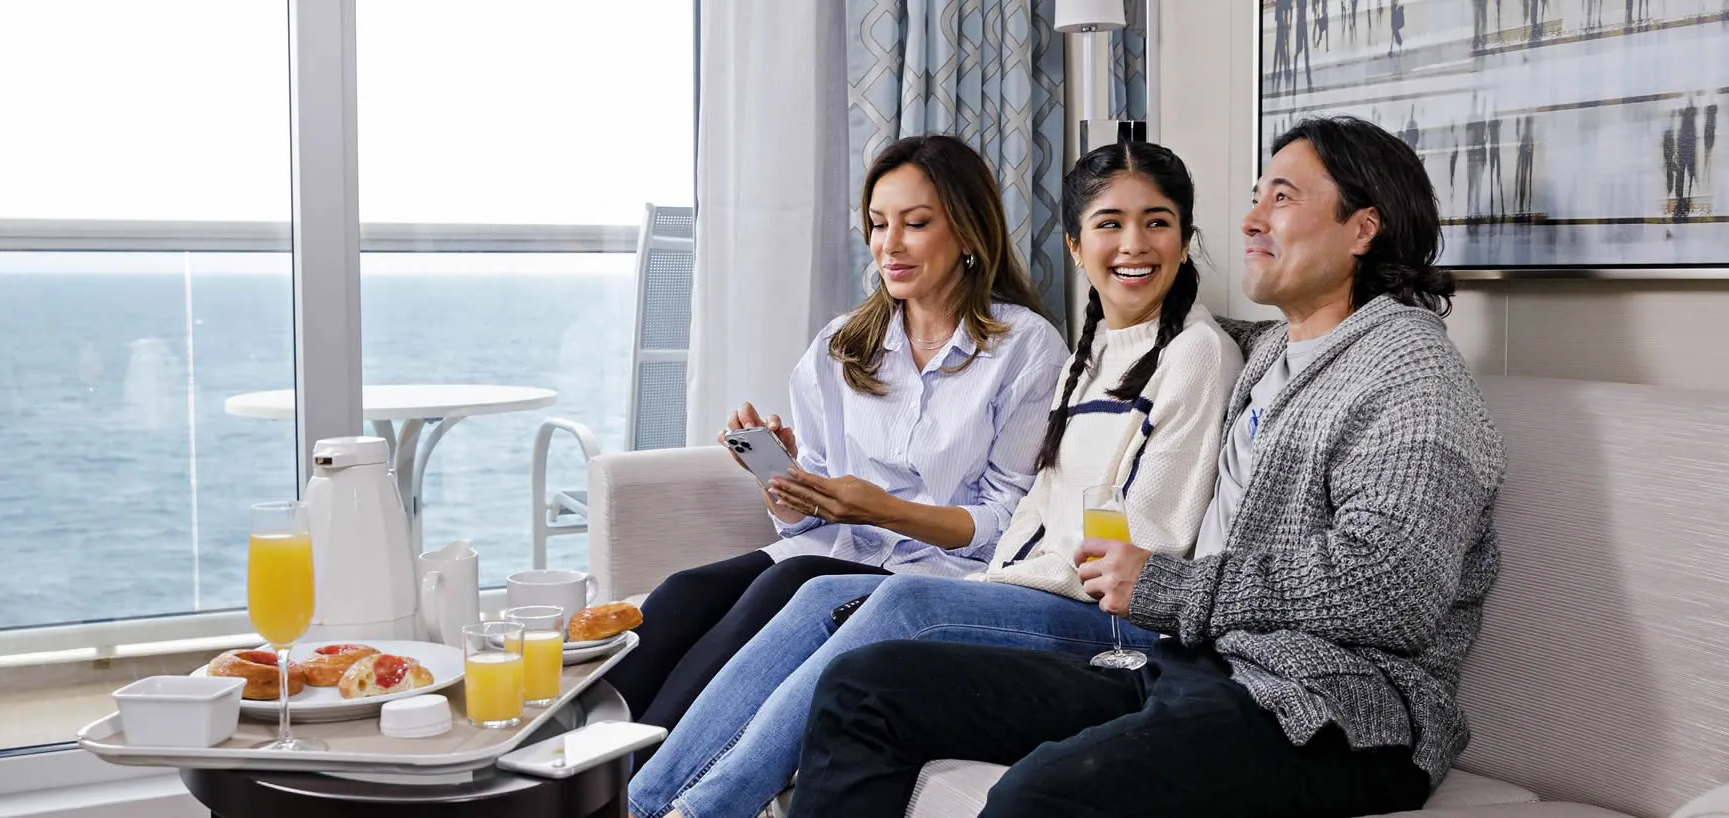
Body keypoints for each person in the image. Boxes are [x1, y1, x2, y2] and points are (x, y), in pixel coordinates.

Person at [786, 115, 1507, 818]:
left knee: (1042, 794)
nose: (1252, 219)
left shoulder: (1411, 373)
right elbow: (1144, 343)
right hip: (1201, 667)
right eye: (1256, 196)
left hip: (1336, 710)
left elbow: (1394, 590)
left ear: (1363, 228)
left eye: (1281, 198)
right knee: (867, 688)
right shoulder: (1269, 355)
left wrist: (1167, 584)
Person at [626, 141, 1244, 818]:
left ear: (1185, 240)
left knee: (901, 604)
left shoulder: (1196, 355)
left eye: (1157, 222)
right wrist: (791, 484)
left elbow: (1148, 540)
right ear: (1074, 244)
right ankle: (642, 801)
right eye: (1109, 224)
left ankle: (703, 809)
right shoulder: (1091, 354)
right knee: (813, 593)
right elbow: (1041, 506)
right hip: (1021, 585)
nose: (1134, 243)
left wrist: (992, 575)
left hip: (1110, 618)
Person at [605, 134, 1069, 742]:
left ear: (967, 231)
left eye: (916, 223)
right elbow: (806, 529)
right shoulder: (842, 345)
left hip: (934, 579)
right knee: (684, 592)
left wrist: (884, 509)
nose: (889, 245)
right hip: (832, 554)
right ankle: (568, 770)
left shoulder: (1026, 348)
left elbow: (1012, 524)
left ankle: (643, 776)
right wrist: (784, 482)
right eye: (878, 224)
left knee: (786, 584)